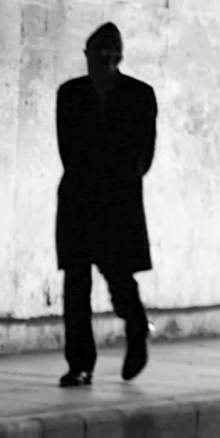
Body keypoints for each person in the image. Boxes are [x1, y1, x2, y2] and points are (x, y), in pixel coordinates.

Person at [55, 22, 155, 386]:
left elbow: (144, 154)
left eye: (114, 56)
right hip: (79, 200)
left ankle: (136, 327)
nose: (108, 62)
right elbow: (68, 150)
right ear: (87, 56)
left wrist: (117, 180)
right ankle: (80, 364)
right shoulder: (70, 94)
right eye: (101, 55)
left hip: (117, 201)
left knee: (119, 279)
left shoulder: (140, 95)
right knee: (76, 287)